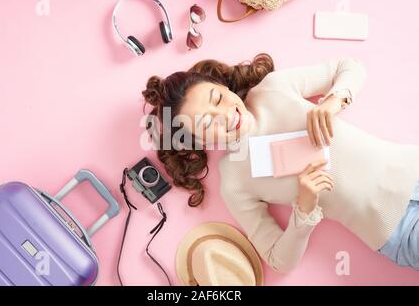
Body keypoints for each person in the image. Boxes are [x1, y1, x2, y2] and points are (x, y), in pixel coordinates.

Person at [141, 53, 419, 272]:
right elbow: (277, 260)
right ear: (199, 142)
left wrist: (333, 101)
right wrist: (305, 210)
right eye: (207, 122)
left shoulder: (271, 89)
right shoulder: (234, 182)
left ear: (221, 85)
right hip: (398, 230)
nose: (224, 114)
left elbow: (350, 66)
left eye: (218, 98)